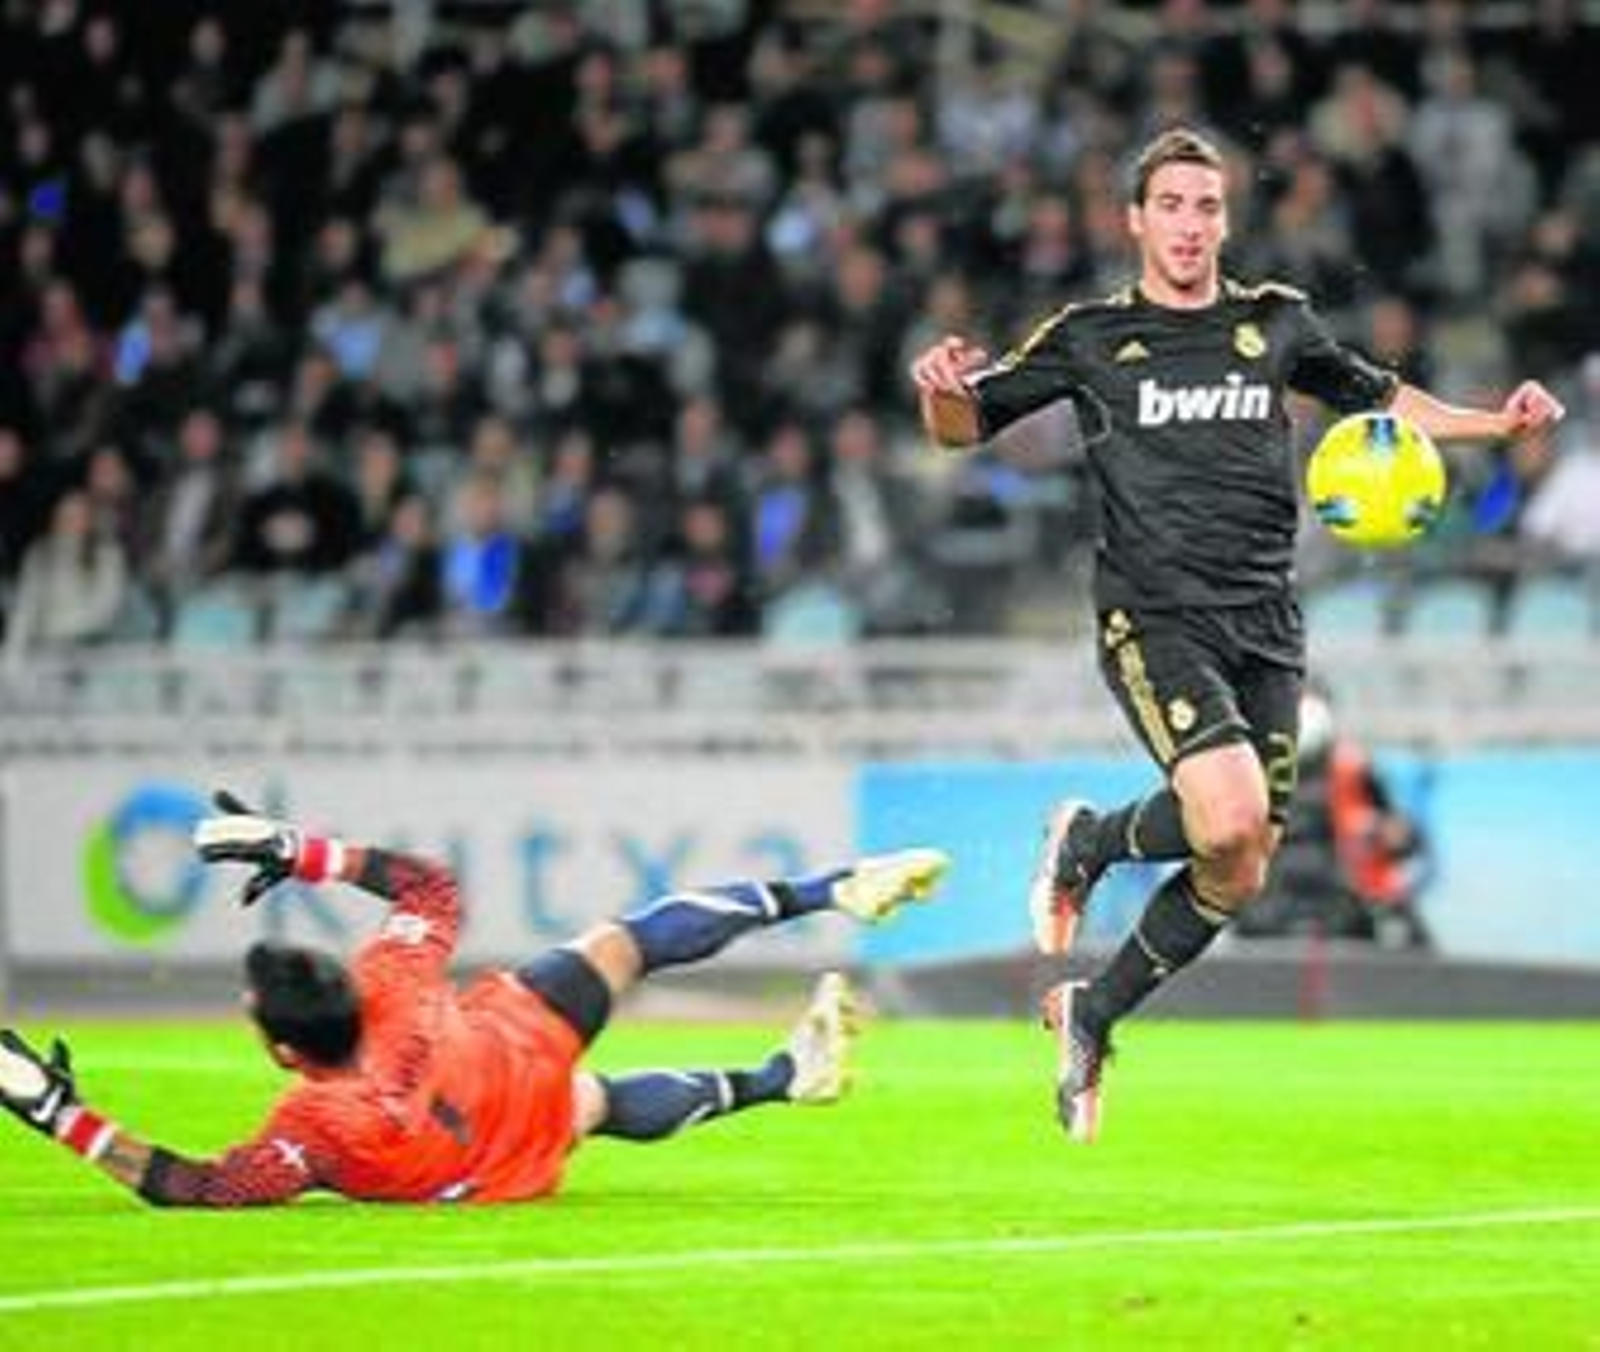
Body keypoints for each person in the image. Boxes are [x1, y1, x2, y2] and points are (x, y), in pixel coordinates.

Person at [908, 126, 1565, 1143]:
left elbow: (1382, 400)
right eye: (1169, 205)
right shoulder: (1088, 334)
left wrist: (1494, 424)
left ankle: (1093, 1002)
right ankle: (1087, 841)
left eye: (1205, 206)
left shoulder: (1277, 322)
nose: (1188, 224)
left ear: (1225, 219)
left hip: (1266, 619)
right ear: (1135, 220)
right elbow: (965, 426)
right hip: (1153, 613)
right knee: (1224, 815)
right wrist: (940, 392)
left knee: (1241, 860)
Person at [0, 792, 948, 1206]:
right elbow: (431, 889)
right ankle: (825, 891)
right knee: (622, 946)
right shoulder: (390, 977)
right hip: (503, 1047)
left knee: (595, 1107)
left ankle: (786, 1077)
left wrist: (59, 1115)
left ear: (285, 1049)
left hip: (485, 1155)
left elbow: (199, 1186)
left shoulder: (314, 1127)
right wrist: (301, 851)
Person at [1241, 686, 1433, 949]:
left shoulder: (1354, 769)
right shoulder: (1251, 771)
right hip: (1270, 906)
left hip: (1344, 901)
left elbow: (1402, 836)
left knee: (1406, 929)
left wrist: (1386, 834)